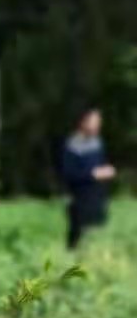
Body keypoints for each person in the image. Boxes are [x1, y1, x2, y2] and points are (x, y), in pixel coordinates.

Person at [61, 107, 115, 250]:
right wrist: (93, 174)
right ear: (83, 123)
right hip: (79, 201)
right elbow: (69, 174)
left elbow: (101, 165)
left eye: (99, 121)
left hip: (97, 199)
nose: (98, 125)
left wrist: (106, 171)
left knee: (97, 239)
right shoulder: (71, 146)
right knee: (78, 241)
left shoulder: (98, 143)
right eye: (94, 121)